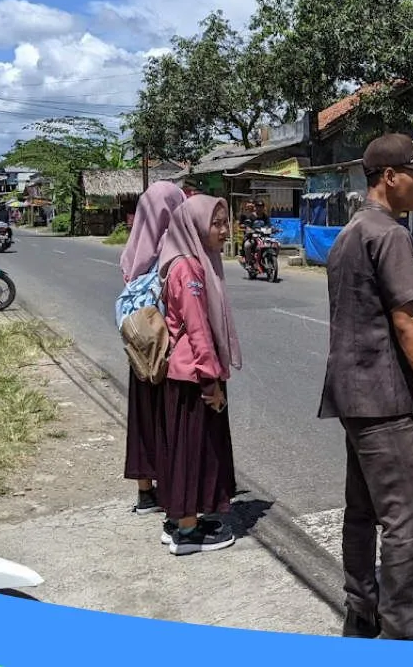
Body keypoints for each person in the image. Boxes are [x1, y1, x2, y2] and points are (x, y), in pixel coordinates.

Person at [317, 133, 413, 640]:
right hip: (382, 397)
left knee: (362, 510)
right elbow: (406, 321)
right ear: (389, 178)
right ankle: (401, 633)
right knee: (405, 521)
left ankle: (361, 614)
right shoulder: (391, 235)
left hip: (350, 395)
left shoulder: (348, 233)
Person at [154, 194, 242, 555]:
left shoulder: (189, 261)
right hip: (194, 377)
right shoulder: (188, 268)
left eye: (225, 221)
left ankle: (180, 519)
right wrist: (211, 382)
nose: (224, 230)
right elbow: (198, 330)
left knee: (188, 450)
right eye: (216, 223)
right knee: (193, 452)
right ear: (194, 225)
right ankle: (187, 534)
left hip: (186, 374)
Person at [118, 181, 187, 515]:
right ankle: (174, 488)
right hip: (166, 347)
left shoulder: (133, 249)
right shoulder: (174, 248)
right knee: (167, 416)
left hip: (137, 345)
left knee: (142, 413)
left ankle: (145, 493)